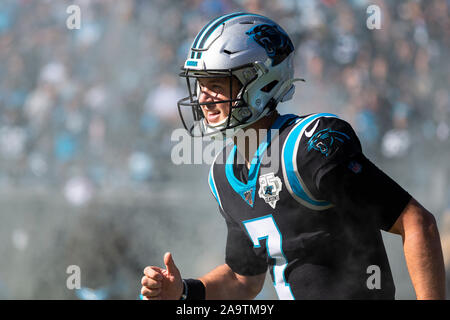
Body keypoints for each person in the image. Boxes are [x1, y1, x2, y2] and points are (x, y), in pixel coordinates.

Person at [140, 12, 446, 300]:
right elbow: (244, 279)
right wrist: (183, 292)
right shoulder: (223, 174)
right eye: (201, 85)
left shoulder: (311, 147)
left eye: (217, 85)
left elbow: (416, 222)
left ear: (260, 82)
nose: (204, 99)